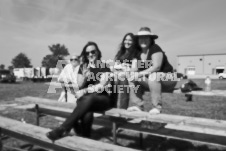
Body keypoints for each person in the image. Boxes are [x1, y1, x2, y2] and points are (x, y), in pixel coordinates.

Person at [46, 42, 114, 140]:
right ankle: (86, 138)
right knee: (87, 113)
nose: (90, 54)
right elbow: (78, 86)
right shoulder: (83, 67)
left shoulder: (104, 66)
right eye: (87, 53)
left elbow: (102, 85)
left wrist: (85, 91)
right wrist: (85, 78)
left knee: (89, 99)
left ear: (98, 52)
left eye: (93, 51)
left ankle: (62, 128)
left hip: (102, 99)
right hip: (85, 99)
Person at [127, 27, 177, 114]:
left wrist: (139, 74)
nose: (143, 40)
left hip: (168, 78)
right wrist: (128, 72)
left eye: (146, 37)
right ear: (138, 40)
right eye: (141, 38)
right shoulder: (137, 52)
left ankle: (156, 107)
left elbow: (156, 67)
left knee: (153, 75)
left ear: (150, 39)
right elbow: (134, 69)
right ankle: (138, 105)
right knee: (132, 77)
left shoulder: (155, 48)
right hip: (153, 82)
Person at [113, 33, 138, 109]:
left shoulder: (136, 53)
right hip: (117, 75)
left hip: (127, 76)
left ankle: (122, 110)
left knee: (124, 81)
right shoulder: (120, 53)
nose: (127, 42)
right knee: (111, 81)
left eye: (130, 40)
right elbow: (114, 66)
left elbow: (135, 68)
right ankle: (112, 108)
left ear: (133, 42)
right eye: (126, 40)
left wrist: (127, 68)